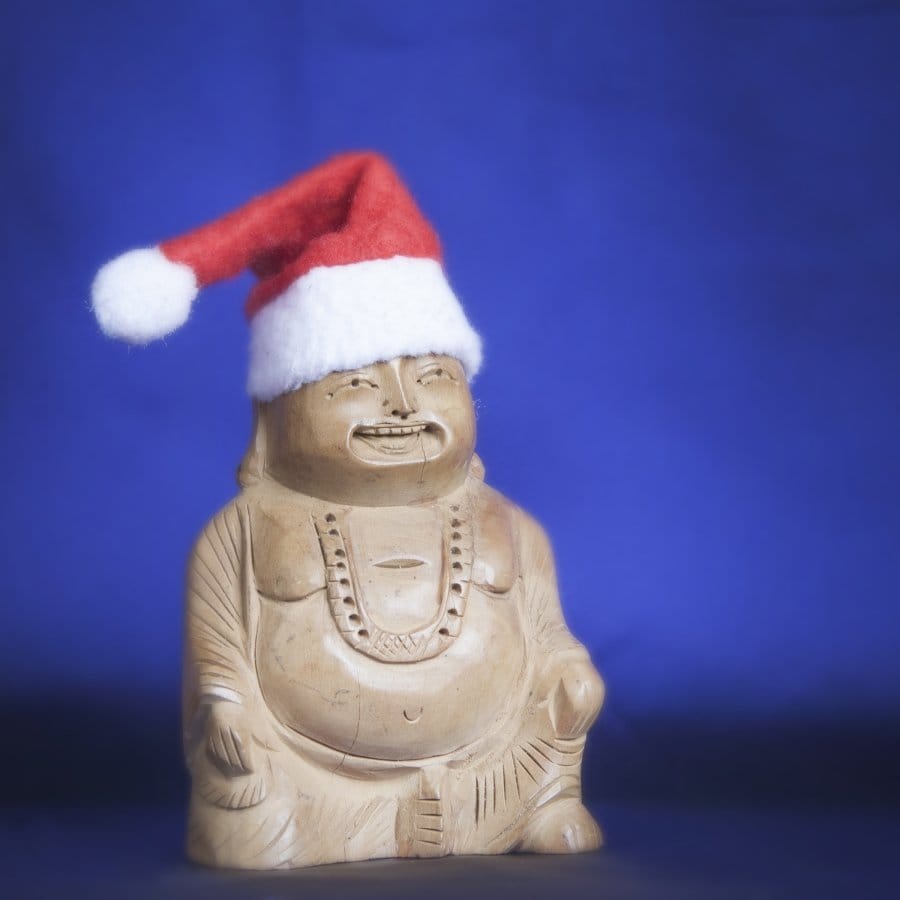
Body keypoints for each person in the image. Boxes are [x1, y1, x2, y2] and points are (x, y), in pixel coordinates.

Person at [93, 153, 604, 869]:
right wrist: (228, 711)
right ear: (275, 416)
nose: (403, 405)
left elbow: (546, 631)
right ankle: (319, 820)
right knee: (248, 825)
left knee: (555, 726)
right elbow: (220, 659)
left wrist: (567, 667)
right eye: (355, 386)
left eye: (433, 378)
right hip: (310, 777)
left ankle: (537, 803)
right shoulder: (237, 534)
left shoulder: (514, 528)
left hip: (491, 766)